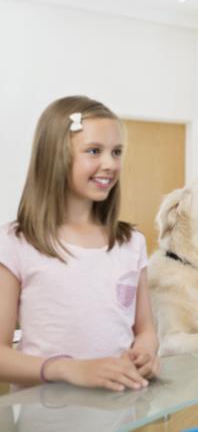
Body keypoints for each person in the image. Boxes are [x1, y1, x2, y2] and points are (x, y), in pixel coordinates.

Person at [0, 96, 159, 391]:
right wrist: (66, 369)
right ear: (55, 156)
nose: (110, 164)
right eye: (94, 151)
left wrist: (146, 352)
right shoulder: (17, 242)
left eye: (117, 152)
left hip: (121, 412)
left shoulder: (131, 242)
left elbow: (145, 329)